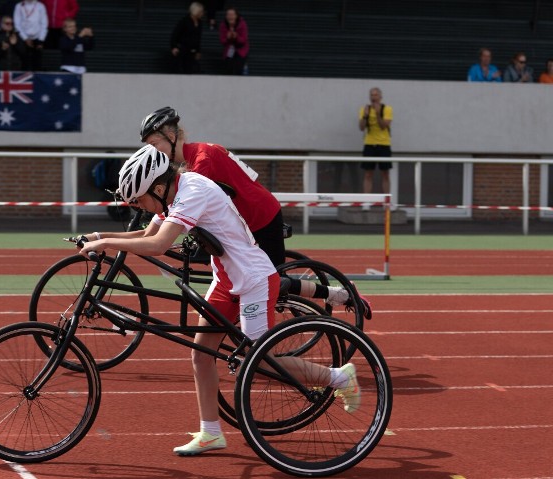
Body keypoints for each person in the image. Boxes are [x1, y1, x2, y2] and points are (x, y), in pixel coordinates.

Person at [77, 145, 362, 456]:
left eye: (139, 199)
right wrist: (97, 235)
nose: (139, 206)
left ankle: (338, 377)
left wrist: (106, 242)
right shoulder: (170, 195)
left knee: (258, 361)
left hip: (253, 280)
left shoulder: (192, 190)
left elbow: (158, 244)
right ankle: (211, 433)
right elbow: (147, 233)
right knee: (202, 355)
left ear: (158, 187)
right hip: (226, 280)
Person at [140, 106, 354, 308]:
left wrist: (158, 225)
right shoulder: (194, 157)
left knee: (276, 283)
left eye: (154, 144)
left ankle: (338, 294)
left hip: (260, 216)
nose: (152, 151)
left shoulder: (201, 160)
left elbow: (187, 202)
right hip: (246, 218)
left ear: (171, 137)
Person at [358, 87, 393, 194]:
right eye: (372, 95)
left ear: (380, 97)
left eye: (376, 95)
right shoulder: (365, 109)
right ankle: (366, 202)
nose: (374, 97)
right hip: (369, 143)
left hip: (383, 144)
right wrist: (365, 116)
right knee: (368, 173)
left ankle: (386, 202)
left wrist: (378, 114)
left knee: (385, 173)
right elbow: (361, 128)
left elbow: (383, 126)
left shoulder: (387, 109)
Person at [13, 0, 48, 71]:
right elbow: (17, 24)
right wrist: (25, 38)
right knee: (24, 63)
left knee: (37, 63)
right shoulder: (19, 6)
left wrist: (41, 40)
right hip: (23, 39)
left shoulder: (40, 6)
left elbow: (44, 24)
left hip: (37, 38)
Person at [170, 2, 204, 74]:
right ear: (196, 11)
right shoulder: (184, 21)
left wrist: (198, 51)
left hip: (192, 52)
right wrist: (174, 46)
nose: (202, 13)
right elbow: (175, 34)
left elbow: (198, 38)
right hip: (183, 50)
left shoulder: (200, 22)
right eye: (201, 11)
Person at [218, 7, 248, 75]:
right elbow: (222, 41)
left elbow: (244, 40)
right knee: (228, 70)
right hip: (229, 50)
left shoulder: (242, 24)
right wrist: (227, 38)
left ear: (236, 16)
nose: (230, 17)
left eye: (232, 15)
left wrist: (236, 37)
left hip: (241, 50)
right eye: (228, 15)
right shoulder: (223, 25)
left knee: (239, 70)